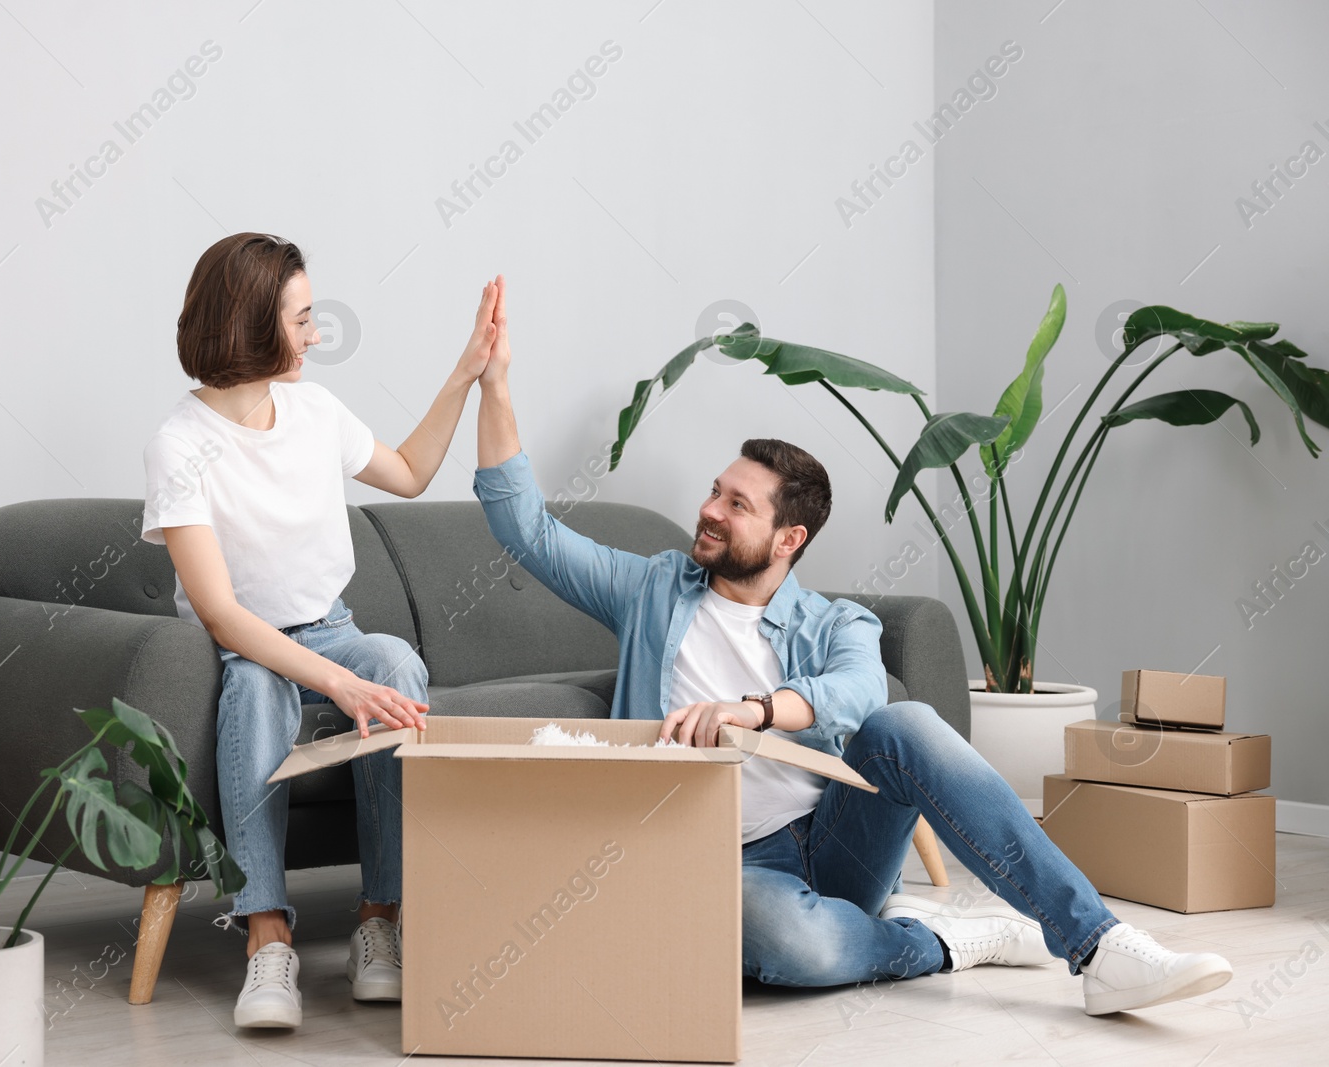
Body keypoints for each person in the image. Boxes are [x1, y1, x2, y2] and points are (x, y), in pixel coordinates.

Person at [468, 280, 1233, 1014]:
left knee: (906, 725)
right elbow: (524, 528)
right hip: (722, 862)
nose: (707, 510)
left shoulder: (838, 624)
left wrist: (757, 709)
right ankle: (934, 938)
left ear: (788, 537)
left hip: (837, 840)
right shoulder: (651, 590)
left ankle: (1102, 948)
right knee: (782, 942)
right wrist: (495, 384)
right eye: (714, 490)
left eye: (736, 504)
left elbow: (860, 697)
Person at [141, 233, 500, 1028]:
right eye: (302, 319)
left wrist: (464, 375)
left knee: (398, 665)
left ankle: (380, 918)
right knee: (260, 692)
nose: (314, 336)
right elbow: (220, 613)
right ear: (249, 324)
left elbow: (408, 472)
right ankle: (267, 934)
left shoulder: (313, 409)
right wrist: (331, 680)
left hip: (331, 627)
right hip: (243, 644)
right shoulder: (181, 444)